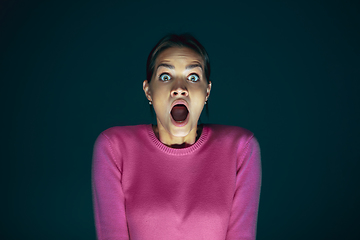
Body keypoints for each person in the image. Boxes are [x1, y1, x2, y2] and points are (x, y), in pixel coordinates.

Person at [92, 34, 262, 240]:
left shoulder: (241, 148)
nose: (179, 88)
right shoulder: (114, 147)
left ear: (207, 91)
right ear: (148, 91)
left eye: (193, 77)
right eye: (165, 77)